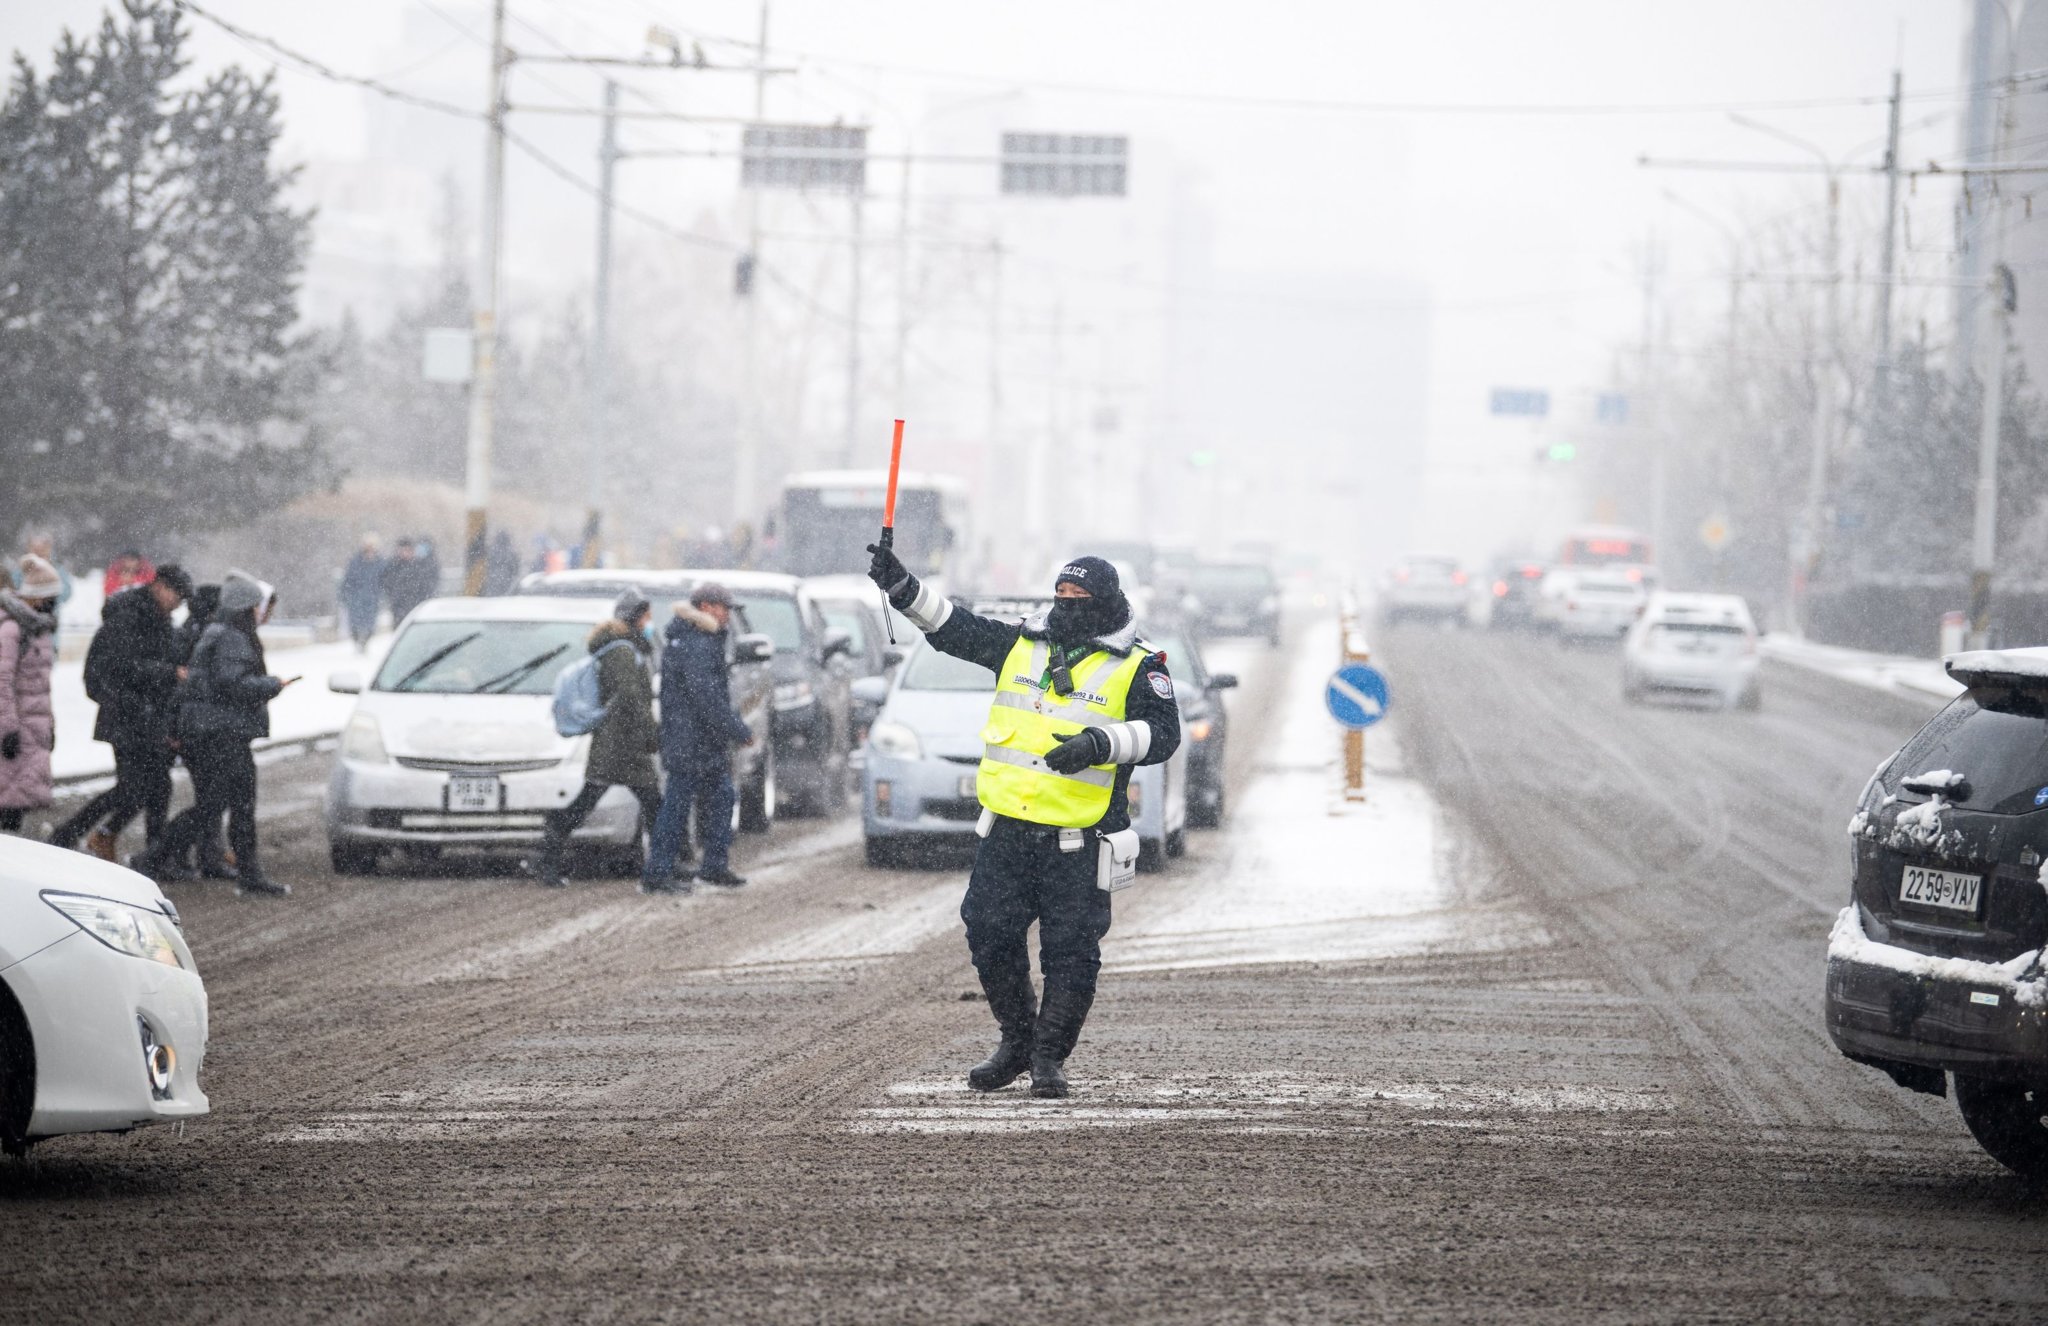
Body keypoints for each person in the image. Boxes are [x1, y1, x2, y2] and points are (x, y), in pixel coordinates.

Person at [865, 548, 1181, 1099]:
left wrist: (1099, 744)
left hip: (1081, 838)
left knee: (1070, 952)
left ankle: (1048, 1057)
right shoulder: (1021, 643)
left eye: (1080, 601)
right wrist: (903, 587)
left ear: (1107, 605)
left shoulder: (1142, 664)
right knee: (988, 933)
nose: (1067, 607)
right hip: (1008, 831)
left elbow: (1164, 734)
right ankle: (1015, 1040)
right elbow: (953, 627)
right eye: (1060, 597)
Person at [144, 572, 292, 896]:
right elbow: (231, 684)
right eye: (255, 606)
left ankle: (153, 856)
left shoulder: (216, 630)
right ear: (245, 607)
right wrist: (271, 685)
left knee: (214, 805)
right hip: (224, 732)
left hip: (211, 731)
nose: (259, 612)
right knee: (235, 804)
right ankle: (248, 876)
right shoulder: (233, 637)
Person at [51, 564, 193, 862]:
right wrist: (168, 673)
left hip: (147, 714)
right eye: (177, 598)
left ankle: (149, 851)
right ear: (160, 587)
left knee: (157, 785)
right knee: (133, 788)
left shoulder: (158, 618)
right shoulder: (129, 616)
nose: (177, 606)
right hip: (125, 713)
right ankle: (70, 834)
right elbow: (121, 666)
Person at [530, 591, 662, 889]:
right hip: (621, 744)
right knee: (652, 805)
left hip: (617, 743)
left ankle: (547, 854)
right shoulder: (622, 651)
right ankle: (663, 867)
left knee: (596, 802)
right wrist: (652, 734)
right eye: (646, 616)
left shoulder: (625, 648)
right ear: (634, 618)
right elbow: (630, 697)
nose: (650, 622)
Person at [642, 584, 755, 894]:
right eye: (724, 608)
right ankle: (659, 872)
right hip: (692, 741)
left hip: (695, 739)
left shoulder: (690, 639)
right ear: (706, 607)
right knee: (679, 806)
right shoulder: (698, 644)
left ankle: (711, 866)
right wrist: (737, 730)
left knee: (717, 799)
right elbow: (707, 698)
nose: (728, 615)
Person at [0, 558, 61, 833]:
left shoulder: (39, 630)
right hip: (14, 730)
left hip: (31, 729)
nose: (54, 603)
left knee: (17, 803)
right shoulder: (13, 629)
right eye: (50, 597)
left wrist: (49, 724)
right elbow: (2, 681)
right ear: (36, 597)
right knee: (8, 803)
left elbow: (41, 686)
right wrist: (7, 728)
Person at [338, 535, 384, 651]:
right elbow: (348, 579)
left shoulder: (380, 563)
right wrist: (345, 595)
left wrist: (381, 594)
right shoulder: (355, 562)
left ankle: (365, 642)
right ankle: (357, 640)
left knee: (370, 624)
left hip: (372, 598)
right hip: (356, 597)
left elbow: (383, 580)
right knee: (355, 623)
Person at [484, 530, 522, 596]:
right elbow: (515, 569)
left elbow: (485, 565)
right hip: (506, 581)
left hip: (491, 580)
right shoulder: (511, 552)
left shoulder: (490, 551)